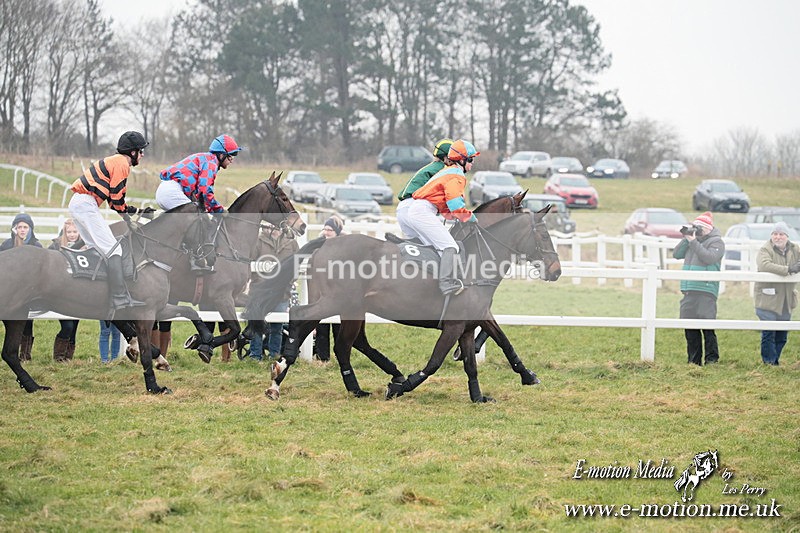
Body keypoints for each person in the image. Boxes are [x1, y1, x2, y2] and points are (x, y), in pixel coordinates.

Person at [68, 131, 150, 311]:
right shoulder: (122, 163)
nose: (142, 155)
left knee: (97, 249)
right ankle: (119, 298)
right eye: (141, 151)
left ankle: (96, 291)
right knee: (114, 250)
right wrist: (129, 217)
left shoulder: (115, 161)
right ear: (132, 152)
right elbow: (117, 198)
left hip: (80, 203)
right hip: (86, 204)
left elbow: (115, 203)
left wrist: (137, 212)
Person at [156, 134, 243, 273]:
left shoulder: (207, 159)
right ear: (221, 155)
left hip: (168, 191)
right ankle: (196, 261)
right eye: (231, 155)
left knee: (198, 217)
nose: (232, 159)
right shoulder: (211, 162)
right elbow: (205, 192)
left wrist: (213, 208)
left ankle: (186, 253)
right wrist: (219, 210)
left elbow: (201, 198)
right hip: (171, 192)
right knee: (199, 221)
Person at [405, 139, 479, 295]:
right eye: (471, 160)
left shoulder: (448, 171)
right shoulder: (457, 175)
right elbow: (455, 205)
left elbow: (446, 205)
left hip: (418, 210)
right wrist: (469, 217)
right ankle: (446, 284)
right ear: (462, 159)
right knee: (449, 247)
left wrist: (455, 215)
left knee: (442, 247)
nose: (472, 164)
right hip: (422, 211)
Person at [672, 211, 725, 366]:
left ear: (709, 228)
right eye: (696, 226)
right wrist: (687, 237)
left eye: (701, 227)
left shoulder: (717, 242)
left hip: (706, 290)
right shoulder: (692, 241)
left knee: (707, 327)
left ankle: (711, 360)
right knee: (689, 327)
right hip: (689, 289)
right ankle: (693, 361)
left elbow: (708, 258)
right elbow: (676, 254)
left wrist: (693, 241)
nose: (698, 230)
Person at [248, 224, 300, 361]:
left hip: (281, 293)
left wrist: (286, 282)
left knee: (277, 326)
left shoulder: (291, 243)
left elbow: (297, 266)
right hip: (260, 292)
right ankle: (255, 355)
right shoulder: (256, 241)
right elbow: (249, 263)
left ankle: (274, 355)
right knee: (256, 323)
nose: (273, 227)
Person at [754, 221, 800, 365]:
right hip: (767, 299)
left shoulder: (795, 249)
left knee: (782, 335)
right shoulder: (765, 249)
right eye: (775, 234)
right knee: (769, 332)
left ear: (787, 236)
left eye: (781, 234)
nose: (778, 237)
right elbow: (764, 265)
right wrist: (788, 269)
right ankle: (770, 363)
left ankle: (774, 360)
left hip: (786, 300)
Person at [0, 213, 43, 360]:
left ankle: (25, 354)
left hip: (31, 290)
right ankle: (13, 353)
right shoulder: (7, 245)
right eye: (20, 227)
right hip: (10, 290)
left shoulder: (36, 246)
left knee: (27, 323)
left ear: (30, 229)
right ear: (15, 229)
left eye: (25, 227)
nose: (22, 230)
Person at [396, 138, 453, 238]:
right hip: (415, 207)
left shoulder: (432, 166)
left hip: (403, 209)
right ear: (447, 157)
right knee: (442, 246)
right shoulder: (445, 170)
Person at [49, 219, 85, 362]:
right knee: (67, 326)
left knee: (74, 326)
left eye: (74, 232)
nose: (71, 235)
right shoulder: (56, 246)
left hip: (77, 293)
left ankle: (68, 357)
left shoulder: (84, 247)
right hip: (61, 293)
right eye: (69, 232)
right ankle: (58, 356)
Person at [314, 216, 345, 361]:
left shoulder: (345, 246)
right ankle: (322, 358)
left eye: (330, 230)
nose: (326, 232)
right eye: (325, 229)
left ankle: (342, 357)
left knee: (339, 328)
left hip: (339, 291)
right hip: (322, 289)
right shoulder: (318, 244)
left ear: (337, 232)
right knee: (322, 326)